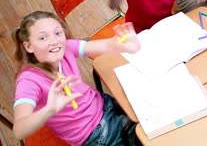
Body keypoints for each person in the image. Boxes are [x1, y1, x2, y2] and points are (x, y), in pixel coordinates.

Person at [12, 11, 141, 145]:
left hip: (105, 105)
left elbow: (106, 45)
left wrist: (124, 45)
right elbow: (19, 130)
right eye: (43, 38)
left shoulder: (66, 47)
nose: (54, 41)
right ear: (28, 46)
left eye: (58, 33)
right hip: (96, 134)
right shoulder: (28, 81)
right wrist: (50, 109)